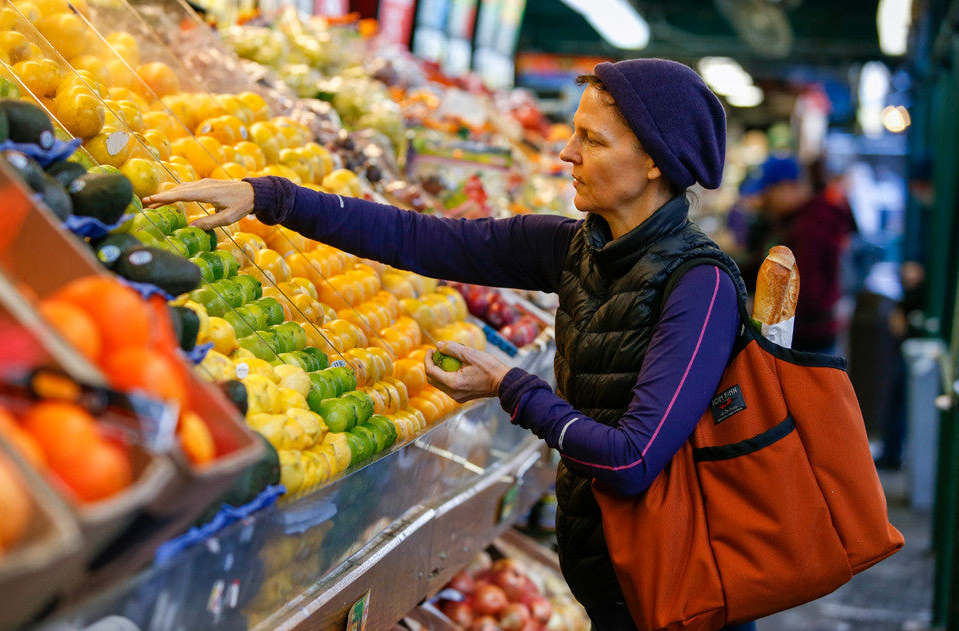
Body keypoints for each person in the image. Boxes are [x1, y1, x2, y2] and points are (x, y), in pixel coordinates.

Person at [145, 58, 754, 631]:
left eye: (592, 141)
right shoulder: (577, 250)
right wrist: (270, 198)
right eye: (574, 134)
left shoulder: (701, 287)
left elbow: (630, 459)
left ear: (655, 163)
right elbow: (423, 239)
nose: (567, 152)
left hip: (679, 596)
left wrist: (507, 385)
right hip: (614, 578)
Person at [744, 154, 856, 354]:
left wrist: (761, 307)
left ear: (787, 187)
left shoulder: (810, 227)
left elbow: (807, 292)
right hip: (806, 334)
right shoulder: (793, 221)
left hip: (807, 341)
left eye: (768, 194)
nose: (764, 202)